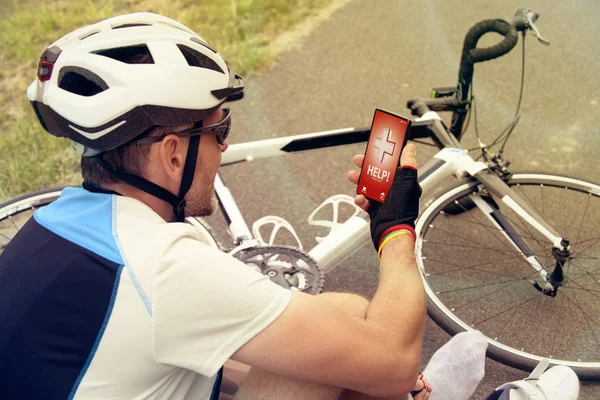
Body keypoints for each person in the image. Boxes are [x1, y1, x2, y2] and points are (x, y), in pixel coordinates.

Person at [0, 12, 430, 400]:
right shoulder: (164, 266)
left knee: (339, 339)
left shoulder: (46, 227)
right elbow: (395, 360)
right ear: (172, 155)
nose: (224, 148)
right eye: (219, 130)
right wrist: (393, 227)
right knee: (363, 345)